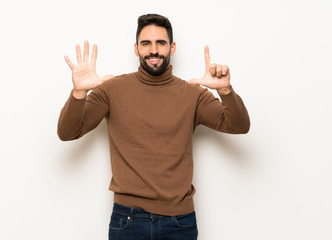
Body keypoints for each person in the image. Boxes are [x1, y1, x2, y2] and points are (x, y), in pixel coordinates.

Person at [58, 13, 250, 240]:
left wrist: (225, 92)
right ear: (136, 48)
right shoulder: (111, 90)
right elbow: (68, 133)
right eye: (146, 43)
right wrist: (79, 93)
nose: (154, 50)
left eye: (161, 43)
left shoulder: (193, 94)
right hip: (128, 220)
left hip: (180, 221)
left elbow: (239, 126)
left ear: (172, 48)